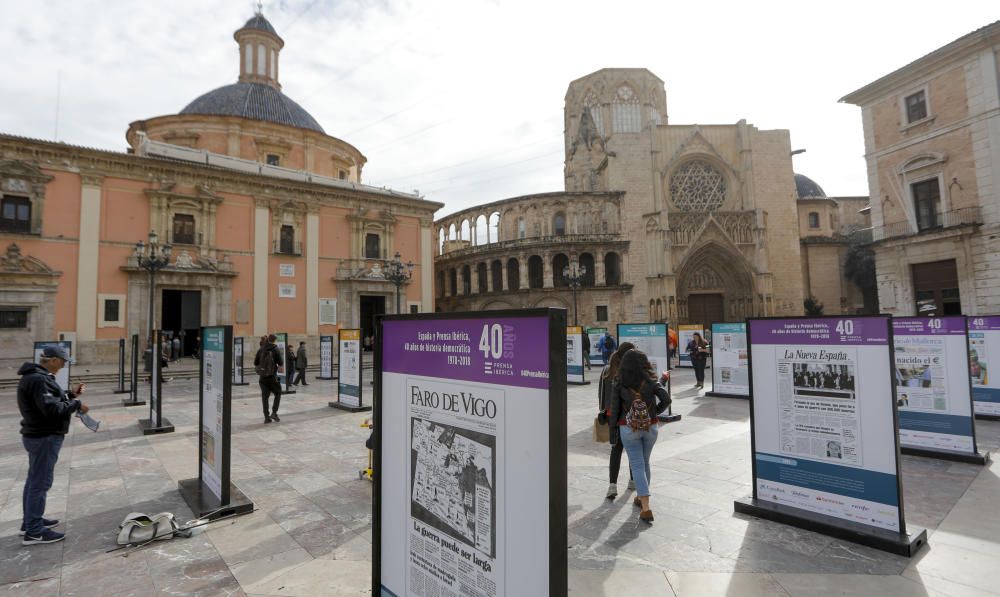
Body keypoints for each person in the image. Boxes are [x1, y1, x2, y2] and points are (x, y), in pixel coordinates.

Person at [17, 345, 89, 545]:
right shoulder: (39, 379)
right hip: (44, 437)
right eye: (63, 361)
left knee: (34, 480)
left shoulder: (37, 376)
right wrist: (76, 404)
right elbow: (51, 410)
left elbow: (51, 402)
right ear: (54, 360)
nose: (64, 365)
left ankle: (30, 521)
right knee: (40, 483)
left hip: (38, 435)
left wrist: (71, 395)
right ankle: (34, 531)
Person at [609, 349, 670, 523]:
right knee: (645, 463)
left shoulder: (619, 382)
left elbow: (615, 409)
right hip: (651, 427)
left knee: (637, 465)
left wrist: (613, 429)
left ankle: (646, 507)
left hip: (629, 428)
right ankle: (640, 498)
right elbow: (666, 399)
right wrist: (654, 413)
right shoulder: (651, 381)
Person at [598, 341, 635, 499]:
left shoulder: (607, 370)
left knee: (616, 450)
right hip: (627, 417)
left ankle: (612, 485)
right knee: (633, 451)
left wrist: (603, 411)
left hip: (611, 416)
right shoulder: (630, 371)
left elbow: (601, 394)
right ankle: (633, 481)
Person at [254, 334, 284, 423]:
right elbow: (281, 363)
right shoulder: (275, 349)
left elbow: (256, 363)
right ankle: (274, 413)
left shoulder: (261, 349)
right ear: (274, 340)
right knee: (278, 393)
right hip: (272, 377)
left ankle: (266, 417)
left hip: (262, 378)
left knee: (265, 397)